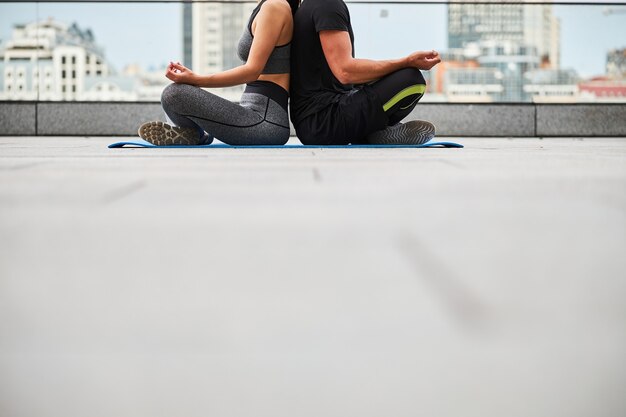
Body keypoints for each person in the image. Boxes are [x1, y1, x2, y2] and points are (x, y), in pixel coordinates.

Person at [138, 0, 299, 146]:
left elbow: (252, 71)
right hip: (252, 113)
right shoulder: (267, 6)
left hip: (266, 122)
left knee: (173, 94)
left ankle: (195, 135)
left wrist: (196, 80)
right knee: (173, 94)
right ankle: (191, 134)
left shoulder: (275, 7)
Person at [290, 0, 441, 146]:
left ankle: (372, 131)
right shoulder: (327, 4)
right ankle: (371, 132)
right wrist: (406, 62)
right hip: (324, 122)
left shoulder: (312, 5)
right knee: (412, 80)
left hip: (314, 123)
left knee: (393, 77)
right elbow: (345, 71)